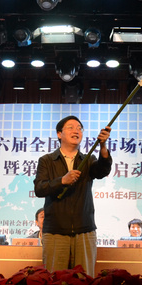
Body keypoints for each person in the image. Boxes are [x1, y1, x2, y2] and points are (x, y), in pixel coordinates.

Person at [33, 115, 112, 276]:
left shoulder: (88, 160)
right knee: (55, 282)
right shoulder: (47, 161)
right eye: (70, 127)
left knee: (84, 281)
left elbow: (102, 171)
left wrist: (103, 146)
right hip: (55, 231)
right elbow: (40, 188)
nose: (76, 131)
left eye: (79, 128)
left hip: (84, 230)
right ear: (59, 134)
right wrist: (62, 181)